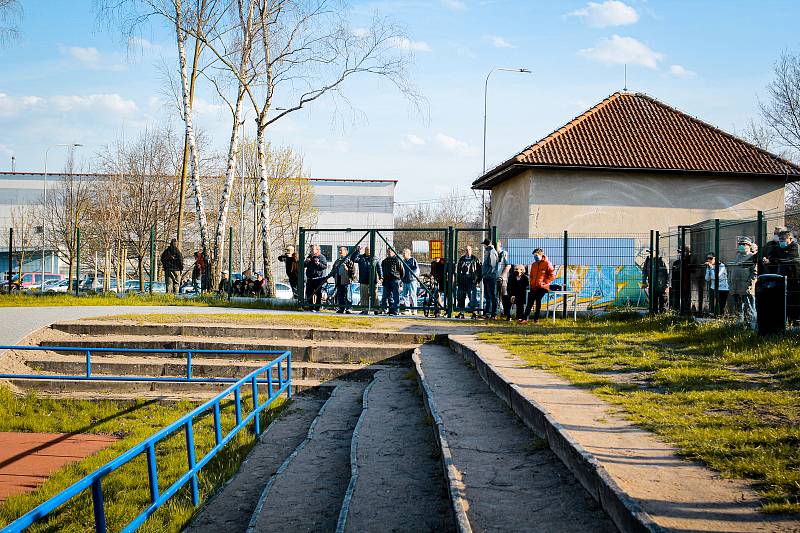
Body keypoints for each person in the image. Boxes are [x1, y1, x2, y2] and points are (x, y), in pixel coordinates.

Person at [765, 229, 800, 322]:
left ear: (790, 239)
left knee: (794, 300)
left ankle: (795, 319)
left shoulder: (795, 247)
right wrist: (773, 259)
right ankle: (785, 319)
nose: (781, 242)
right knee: (782, 299)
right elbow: (771, 256)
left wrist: (775, 260)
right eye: (780, 239)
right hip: (781, 277)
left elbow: (790, 259)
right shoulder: (778, 247)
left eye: (783, 239)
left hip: (794, 278)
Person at [728, 238, 758, 323]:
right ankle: (740, 325)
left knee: (750, 308)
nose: (741, 246)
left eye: (744, 244)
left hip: (746, 288)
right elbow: (731, 270)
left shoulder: (752, 257)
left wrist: (749, 285)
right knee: (738, 309)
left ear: (749, 245)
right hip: (735, 287)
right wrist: (730, 283)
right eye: (740, 244)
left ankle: (752, 325)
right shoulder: (737, 256)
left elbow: (755, 273)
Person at [524, 248, 556, 323]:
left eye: (536, 255)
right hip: (534, 286)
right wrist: (531, 283)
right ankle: (525, 318)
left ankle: (536, 318)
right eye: (534, 256)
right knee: (530, 301)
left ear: (541, 255)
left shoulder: (547, 263)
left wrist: (544, 282)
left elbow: (552, 276)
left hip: (543, 287)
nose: (535, 257)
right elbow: (531, 275)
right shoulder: (534, 264)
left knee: (538, 299)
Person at [456, 245, 481, 319]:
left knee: (472, 297)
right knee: (461, 296)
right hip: (463, 280)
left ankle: (474, 313)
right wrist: (458, 280)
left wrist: (477, 281)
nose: (468, 251)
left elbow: (479, 271)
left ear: (471, 250)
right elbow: (458, 270)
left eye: (469, 249)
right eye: (466, 250)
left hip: (472, 281)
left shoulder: (475, 259)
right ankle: (461, 312)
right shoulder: (461, 259)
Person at [331, 246, 359, 314]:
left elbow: (353, 272)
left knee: (348, 295)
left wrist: (347, 269)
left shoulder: (349, 261)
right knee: (340, 296)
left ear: (346, 252)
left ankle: (349, 308)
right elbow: (333, 270)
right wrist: (333, 275)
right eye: (339, 250)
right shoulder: (337, 261)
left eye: (341, 250)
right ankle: (341, 308)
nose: (340, 252)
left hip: (346, 281)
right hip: (339, 281)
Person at [355, 246, 382, 314]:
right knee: (364, 296)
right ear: (365, 250)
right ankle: (365, 309)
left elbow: (379, 268)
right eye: (367, 250)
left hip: (373, 280)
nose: (368, 251)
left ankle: (376, 309)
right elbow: (354, 259)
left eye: (369, 250)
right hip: (363, 280)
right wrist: (357, 251)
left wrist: (381, 277)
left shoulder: (375, 258)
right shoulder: (361, 257)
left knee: (375, 295)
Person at [381, 248, 405, 315]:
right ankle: (389, 309)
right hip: (386, 280)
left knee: (396, 296)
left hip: (395, 280)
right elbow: (383, 270)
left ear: (394, 252)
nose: (389, 253)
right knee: (386, 296)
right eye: (388, 251)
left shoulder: (397, 260)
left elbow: (402, 271)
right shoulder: (384, 261)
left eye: (390, 251)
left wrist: (399, 280)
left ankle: (396, 310)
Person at [304, 244, 328, 311]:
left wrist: (318, 263)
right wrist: (306, 262)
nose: (311, 251)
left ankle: (317, 307)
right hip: (310, 278)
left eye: (312, 249)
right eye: (311, 249)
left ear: (317, 250)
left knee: (318, 293)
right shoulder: (309, 257)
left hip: (318, 278)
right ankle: (311, 307)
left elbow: (325, 266)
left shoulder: (321, 257)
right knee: (309, 293)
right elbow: (303, 265)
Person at [481, 238, 499, 319]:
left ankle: (493, 313)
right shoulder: (489, 252)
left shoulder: (492, 252)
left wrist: (486, 274)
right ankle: (488, 313)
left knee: (492, 296)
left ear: (486, 244)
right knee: (488, 296)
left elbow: (492, 266)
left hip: (490, 277)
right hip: (488, 277)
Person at [400, 248, 420, 315]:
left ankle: (414, 310)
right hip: (405, 280)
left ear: (408, 254)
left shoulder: (413, 260)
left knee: (413, 295)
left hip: (412, 281)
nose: (403, 254)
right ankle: (407, 309)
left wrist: (413, 277)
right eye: (403, 253)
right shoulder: (403, 261)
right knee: (404, 295)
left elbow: (416, 270)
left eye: (404, 253)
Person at [495, 240, 509, 315]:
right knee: (495, 297)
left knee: (504, 296)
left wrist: (502, 276)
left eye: (496, 244)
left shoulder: (504, 253)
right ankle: (497, 312)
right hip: (494, 279)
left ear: (500, 244)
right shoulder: (494, 254)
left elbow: (508, 265)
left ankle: (506, 313)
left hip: (502, 279)